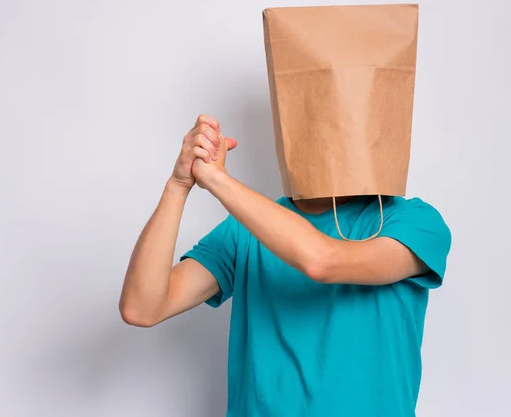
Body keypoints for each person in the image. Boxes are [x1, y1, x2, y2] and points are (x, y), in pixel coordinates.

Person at [119, 114, 452, 416]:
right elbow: (142, 308)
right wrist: (178, 186)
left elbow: (324, 261)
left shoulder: (412, 222)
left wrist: (218, 180)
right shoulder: (245, 228)